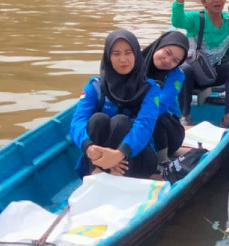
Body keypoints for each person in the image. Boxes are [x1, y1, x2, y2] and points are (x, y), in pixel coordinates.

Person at [70, 30, 166, 179]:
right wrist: (89, 147)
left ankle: (117, 176)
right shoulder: (95, 86)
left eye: (128, 52)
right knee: (97, 119)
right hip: (99, 160)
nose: (123, 59)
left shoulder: (150, 88)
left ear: (136, 54)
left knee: (120, 121)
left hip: (137, 157)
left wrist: (119, 154)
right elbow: (78, 121)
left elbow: (145, 125)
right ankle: (97, 173)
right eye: (116, 54)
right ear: (108, 57)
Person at [141, 30, 189, 177]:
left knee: (155, 114)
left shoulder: (176, 75)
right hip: (139, 125)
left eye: (175, 60)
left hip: (169, 133)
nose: (168, 61)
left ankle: (163, 161)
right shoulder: (135, 64)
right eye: (167, 52)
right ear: (159, 45)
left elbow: (160, 104)